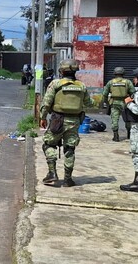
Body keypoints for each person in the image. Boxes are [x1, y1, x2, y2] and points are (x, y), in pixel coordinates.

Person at [39, 59, 92, 187]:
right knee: (70, 149)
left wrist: (43, 117)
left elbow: (46, 103)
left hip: (58, 119)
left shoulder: (56, 83)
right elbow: (89, 103)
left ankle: (52, 174)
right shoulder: (82, 86)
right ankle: (68, 179)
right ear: (75, 71)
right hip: (74, 121)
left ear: (62, 71)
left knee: (48, 144)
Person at [102, 66, 136, 142]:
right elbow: (133, 93)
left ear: (114, 73)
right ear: (123, 73)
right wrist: (131, 101)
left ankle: (116, 135)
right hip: (126, 103)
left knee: (114, 119)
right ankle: (129, 134)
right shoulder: (127, 82)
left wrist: (107, 103)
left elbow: (104, 94)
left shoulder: (111, 82)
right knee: (127, 119)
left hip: (114, 103)